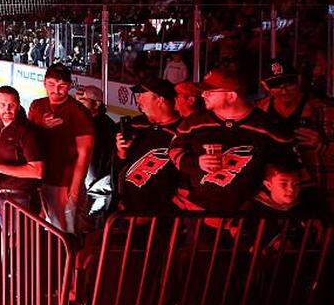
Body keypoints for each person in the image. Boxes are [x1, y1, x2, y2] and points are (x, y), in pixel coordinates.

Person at [169, 68, 295, 212]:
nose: (204, 95)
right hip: (197, 210)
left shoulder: (268, 127)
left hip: (246, 215)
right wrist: (196, 163)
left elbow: (287, 170)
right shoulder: (194, 122)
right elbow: (175, 149)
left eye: (210, 91)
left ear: (231, 96)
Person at [28, 64, 94, 233]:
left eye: (61, 86)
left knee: (64, 231)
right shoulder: (37, 106)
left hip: (64, 182)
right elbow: (27, 138)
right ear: (44, 83)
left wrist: (74, 189)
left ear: (69, 86)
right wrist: (41, 125)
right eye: (51, 84)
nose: (56, 90)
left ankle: (67, 259)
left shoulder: (78, 112)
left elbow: (84, 153)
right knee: (40, 228)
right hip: (38, 178)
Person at [256, 60, 333, 204]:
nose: (284, 90)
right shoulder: (259, 111)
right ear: (266, 86)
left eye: (289, 84)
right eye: (277, 86)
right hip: (272, 192)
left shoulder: (324, 110)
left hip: (316, 186)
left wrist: (322, 144)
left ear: (299, 80)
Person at [114, 79, 182, 213]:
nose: (138, 101)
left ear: (160, 99)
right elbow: (118, 168)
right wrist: (122, 153)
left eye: (142, 95)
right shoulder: (135, 125)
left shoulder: (183, 131)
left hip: (164, 215)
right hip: (129, 209)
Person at [0, 86, 44, 224]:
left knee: (16, 243)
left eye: (11, 105)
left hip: (19, 197)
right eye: (2, 105)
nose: (7, 109)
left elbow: (37, 171)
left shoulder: (27, 132)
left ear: (18, 106)